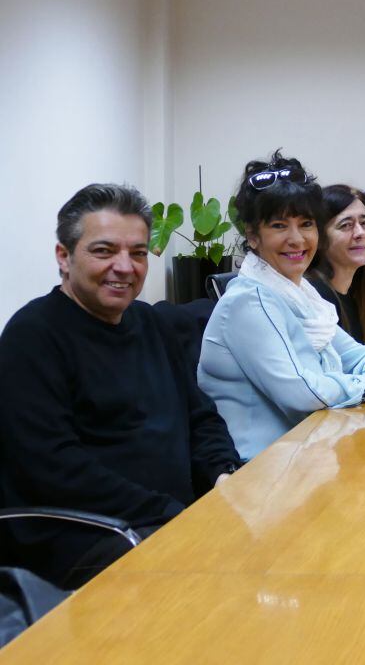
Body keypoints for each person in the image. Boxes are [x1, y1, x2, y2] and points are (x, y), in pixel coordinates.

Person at [0, 184, 241, 588]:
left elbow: (200, 417)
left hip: (165, 517)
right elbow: (56, 471)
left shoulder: (149, 323)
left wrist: (223, 475)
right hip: (85, 532)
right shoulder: (32, 337)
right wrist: (172, 514)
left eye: (138, 253)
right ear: (64, 257)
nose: (125, 266)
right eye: (104, 251)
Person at [198, 151, 365, 461]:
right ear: (253, 236)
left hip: (310, 452)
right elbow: (304, 393)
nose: (297, 239)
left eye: (306, 224)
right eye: (279, 226)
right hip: (259, 472)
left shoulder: (298, 291)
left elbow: (350, 351)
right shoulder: (249, 300)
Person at [307, 185, 365, 343]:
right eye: (346, 225)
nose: (360, 233)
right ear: (320, 237)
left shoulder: (354, 291)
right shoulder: (318, 296)